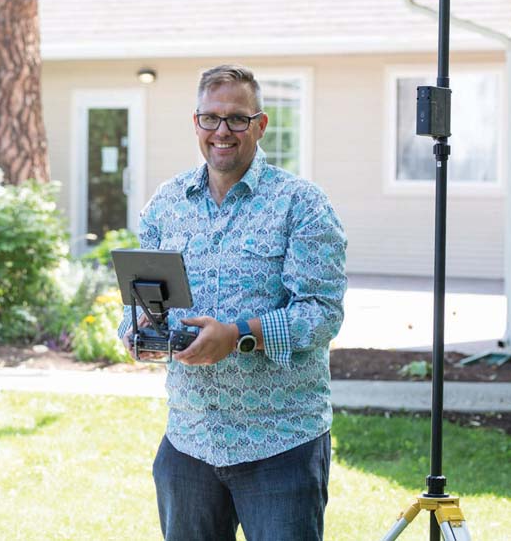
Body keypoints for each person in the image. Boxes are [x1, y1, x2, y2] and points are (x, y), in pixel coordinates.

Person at [118, 64, 347, 541]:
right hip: (189, 441)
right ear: (196, 123)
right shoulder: (166, 204)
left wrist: (239, 335)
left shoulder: (301, 204)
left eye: (237, 119)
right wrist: (139, 332)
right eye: (211, 118)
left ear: (260, 125)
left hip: (281, 444)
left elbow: (321, 313)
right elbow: (140, 304)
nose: (223, 131)